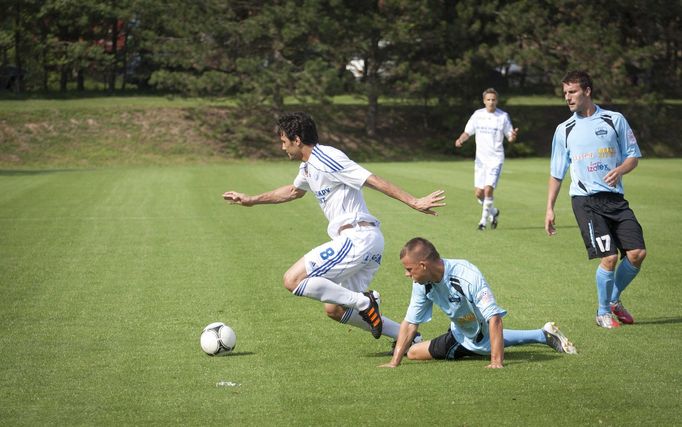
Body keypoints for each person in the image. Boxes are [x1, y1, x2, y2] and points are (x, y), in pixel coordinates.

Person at [223, 112, 446, 341]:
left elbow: (371, 179)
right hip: (365, 241)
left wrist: (413, 201)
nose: (282, 148)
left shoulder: (327, 158)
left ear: (297, 139)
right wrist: (252, 199)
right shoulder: (308, 167)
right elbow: (293, 191)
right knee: (335, 310)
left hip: (358, 237)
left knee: (292, 280)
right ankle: (408, 338)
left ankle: (364, 302)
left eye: (283, 141)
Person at [545, 70, 647, 329]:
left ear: (587, 91)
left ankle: (613, 300)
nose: (568, 98)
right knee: (609, 257)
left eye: (573, 92)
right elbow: (557, 172)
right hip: (586, 201)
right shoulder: (564, 129)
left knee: (636, 253)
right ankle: (602, 313)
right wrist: (549, 209)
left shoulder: (615, 120)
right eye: (565, 93)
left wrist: (621, 170)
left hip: (615, 199)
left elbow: (633, 156)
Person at [379, 237, 577, 369]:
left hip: (480, 332)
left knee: (484, 342)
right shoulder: (422, 283)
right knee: (412, 353)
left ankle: (542, 335)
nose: (407, 274)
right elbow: (411, 322)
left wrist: (496, 362)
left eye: (409, 269)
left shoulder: (466, 275)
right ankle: (543, 334)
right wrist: (394, 362)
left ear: (423, 265)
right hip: (460, 333)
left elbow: (495, 317)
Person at [454, 88, 518, 231]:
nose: (491, 102)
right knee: (479, 193)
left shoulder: (502, 117)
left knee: (488, 190)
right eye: (488, 99)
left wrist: (513, 136)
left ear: (497, 101)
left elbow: (510, 137)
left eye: (493, 99)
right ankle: (494, 212)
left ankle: (483, 222)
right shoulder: (478, 115)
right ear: (484, 101)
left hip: (496, 159)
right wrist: (460, 139)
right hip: (481, 160)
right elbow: (467, 132)